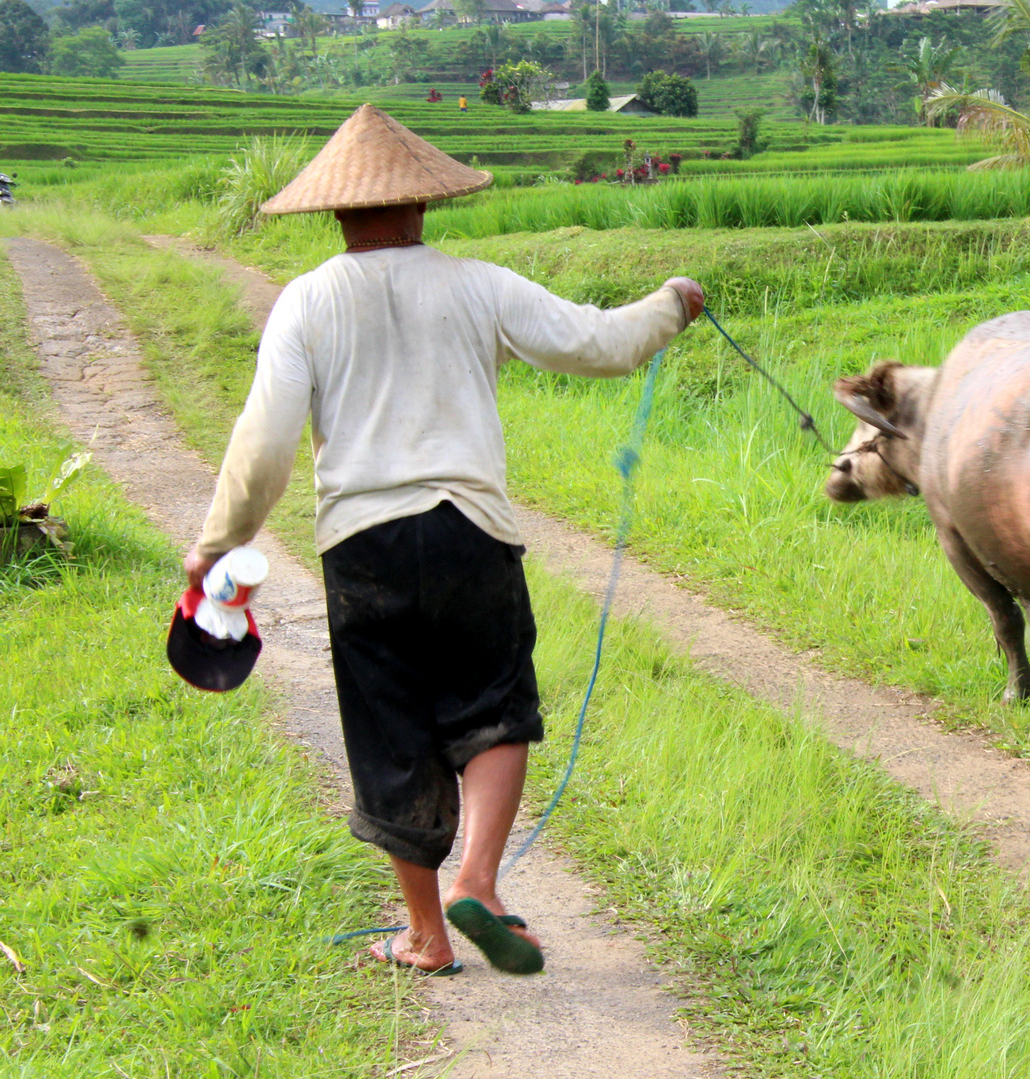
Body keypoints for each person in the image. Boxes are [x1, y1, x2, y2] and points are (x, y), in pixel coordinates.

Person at [184, 104, 704, 976]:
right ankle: (481, 881)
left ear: (335, 213)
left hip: (363, 547)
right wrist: (671, 305)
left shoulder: (305, 302)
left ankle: (427, 936)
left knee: (391, 732)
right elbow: (599, 343)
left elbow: (265, 444)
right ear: (422, 206)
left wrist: (216, 543)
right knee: (494, 703)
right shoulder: (477, 283)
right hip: (471, 534)